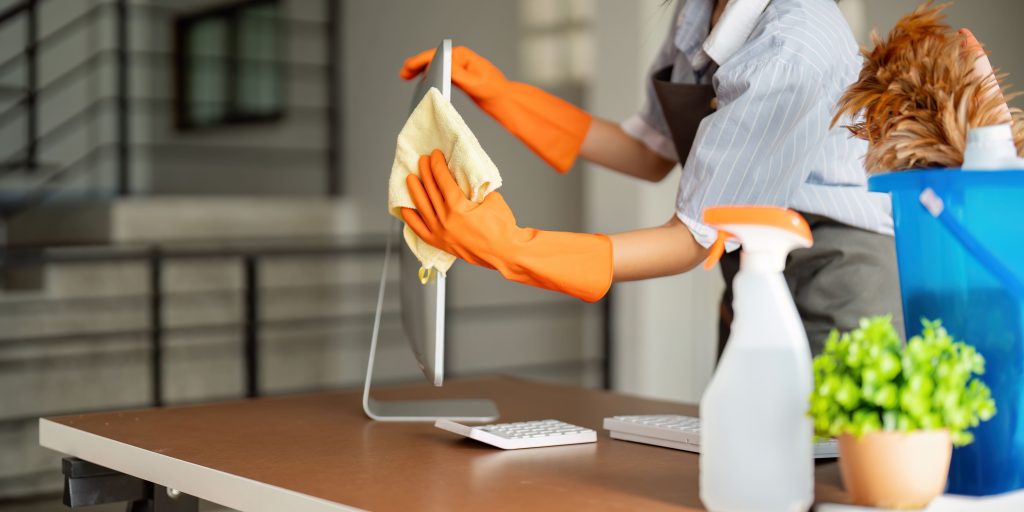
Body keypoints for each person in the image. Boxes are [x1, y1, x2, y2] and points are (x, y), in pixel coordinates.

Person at [399, 0, 901, 355]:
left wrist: (513, 248)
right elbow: (649, 151)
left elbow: (691, 239)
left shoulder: (796, 41)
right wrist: (505, 97)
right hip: (752, 271)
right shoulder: (700, 11)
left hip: (836, 280)